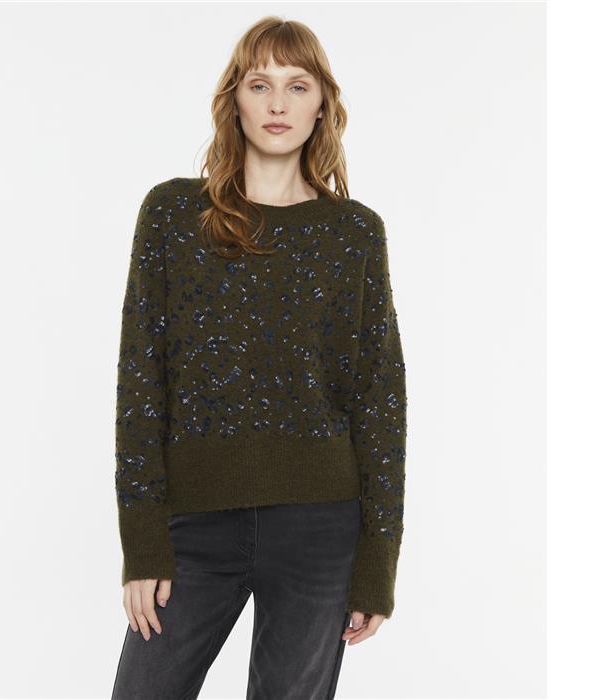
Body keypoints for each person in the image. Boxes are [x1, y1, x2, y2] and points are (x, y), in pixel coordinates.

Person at [111, 16, 408, 700]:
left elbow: (378, 400)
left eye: (297, 85)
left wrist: (377, 563)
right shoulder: (172, 215)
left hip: (320, 528)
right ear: (235, 100)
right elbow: (140, 382)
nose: (278, 103)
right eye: (259, 84)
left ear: (322, 103)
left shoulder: (354, 233)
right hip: (194, 524)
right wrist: (144, 542)